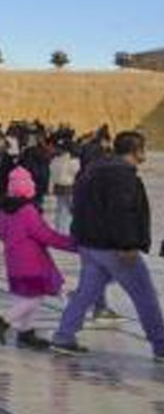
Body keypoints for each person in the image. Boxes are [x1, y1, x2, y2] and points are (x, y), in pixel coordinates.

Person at [51, 131, 164, 360]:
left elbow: (78, 206)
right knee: (145, 295)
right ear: (137, 150)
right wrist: (128, 244)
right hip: (114, 248)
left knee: (86, 294)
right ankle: (161, 345)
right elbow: (121, 212)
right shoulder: (121, 175)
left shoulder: (93, 170)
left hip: (90, 246)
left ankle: (64, 337)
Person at [0, 166, 75, 350]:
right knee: (34, 298)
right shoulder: (27, 209)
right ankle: (3, 321)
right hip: (32, 261)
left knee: (22, 297)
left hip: (13, 260)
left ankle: (25, 334)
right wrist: (71, 244)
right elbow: (44, 234)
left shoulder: (3, 209)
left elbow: (2, 234)